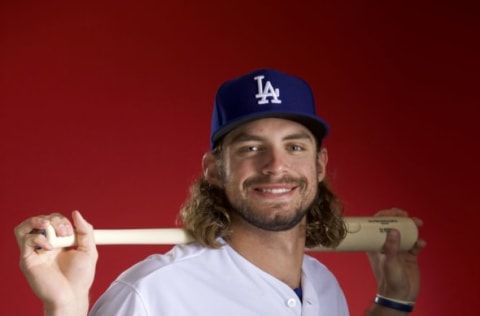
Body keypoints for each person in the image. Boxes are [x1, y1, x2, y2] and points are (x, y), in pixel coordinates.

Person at [15, 68, 426, 316]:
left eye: (295, 146)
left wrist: (393, 299)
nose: (276, 165)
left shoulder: (322, 286)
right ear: (215, 170)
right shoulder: (152, 294)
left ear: (318, 166)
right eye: (251, 147)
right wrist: (65, 308)